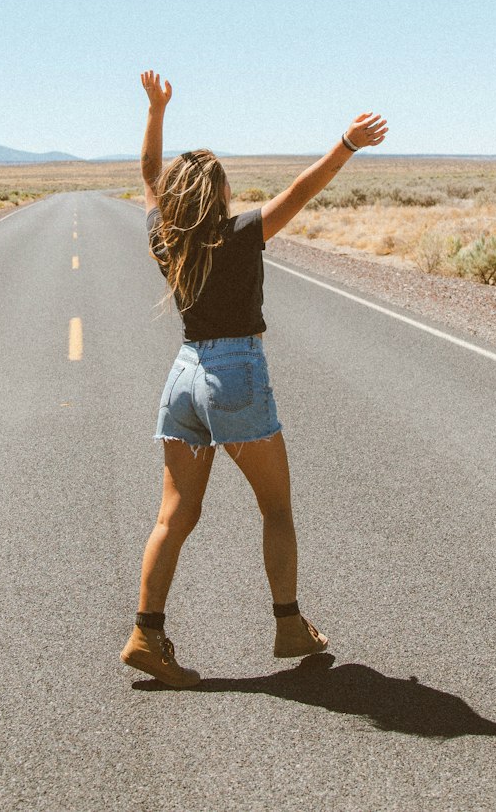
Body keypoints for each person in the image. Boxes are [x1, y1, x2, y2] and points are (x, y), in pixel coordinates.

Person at [120, 71, 388, 688]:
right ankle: (289, 624)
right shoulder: (239, 236)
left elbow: (146, 174)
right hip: (235, 374)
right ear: (216, 194)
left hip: (183, 375)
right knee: (275, 507)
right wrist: (345, 145)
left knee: (174, 516)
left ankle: (146, 632)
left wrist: (156, 112)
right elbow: (300, 191)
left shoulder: (167, 238)